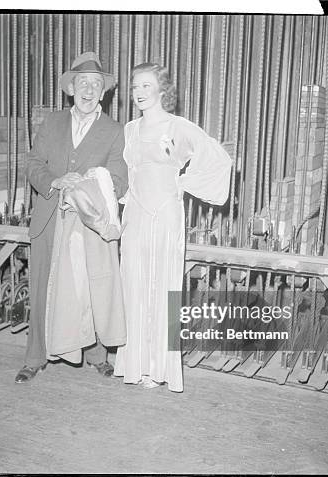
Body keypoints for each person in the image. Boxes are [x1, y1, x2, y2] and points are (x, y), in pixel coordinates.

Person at [113, 63, 232, 392]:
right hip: (135, 214)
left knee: (162, 286)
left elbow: (219, 159)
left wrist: (184, 181)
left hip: (166, 214)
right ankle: (134, 365)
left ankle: (157, 368)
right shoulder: (129, 130)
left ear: (163, 90)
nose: (138, 92)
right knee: (134, 285)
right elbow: (129, 174)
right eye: (135, 86)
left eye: (146, 86)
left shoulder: (179, 127)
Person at [16, 52, 128, 383]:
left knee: (89, 289)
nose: (89, 90)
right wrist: (55, 181)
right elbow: (33, 163)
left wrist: (89, 184)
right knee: (41, 291)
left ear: (104, 91)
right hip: (49, 220)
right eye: (83, 83)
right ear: (71, 88)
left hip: (88, 224)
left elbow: (119, 178)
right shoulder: (52, 123)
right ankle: (34, 357)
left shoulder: (114, 130)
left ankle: (96, 354)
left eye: (96, 84)